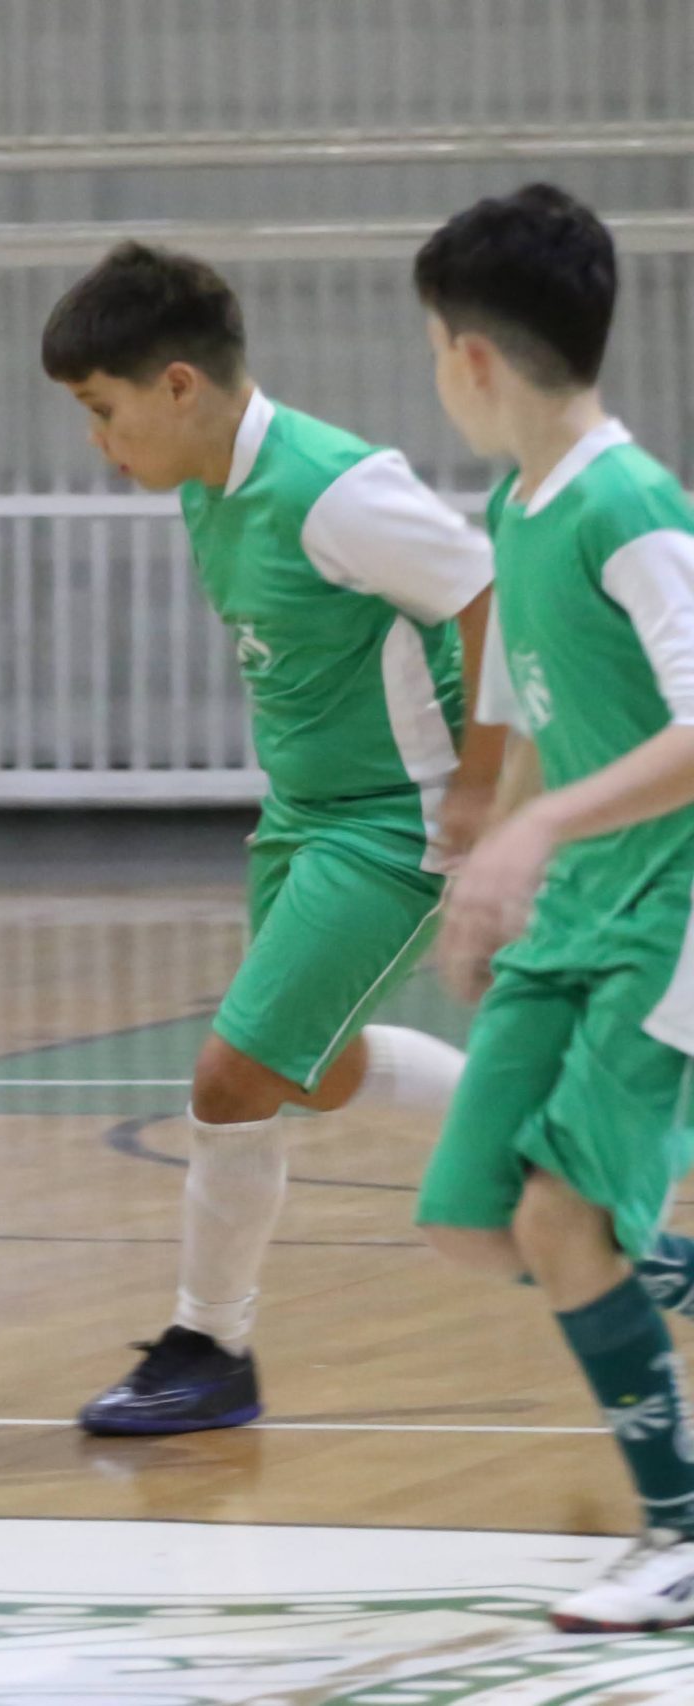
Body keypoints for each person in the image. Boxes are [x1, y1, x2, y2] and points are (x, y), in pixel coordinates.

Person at [40, 242, 502, 1435]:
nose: (99, 440)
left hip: (395, 822)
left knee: (231, 1076)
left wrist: (483, 787)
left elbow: (488, 592)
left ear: (179, 384)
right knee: (317, 1068)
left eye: (105, 411)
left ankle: (212, 1344)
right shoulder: (203, 484)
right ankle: (523, 1122)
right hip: (301, 814)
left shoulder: (338, 486)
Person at [413, 184, 694, 1630]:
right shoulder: (516, 512)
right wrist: (494, 865)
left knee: (565, 1217)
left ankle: (681, 1528)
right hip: (574, 900)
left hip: (673, 911)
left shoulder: (632, 504)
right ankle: (663, 1267)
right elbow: (535, 705)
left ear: (469, 356)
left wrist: (540, 825)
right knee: (478, 1220)